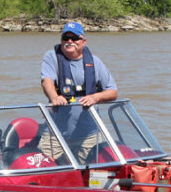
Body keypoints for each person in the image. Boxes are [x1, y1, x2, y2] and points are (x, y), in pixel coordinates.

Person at [39, 22, 118, 163]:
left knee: (96, 172)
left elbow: (112, 92)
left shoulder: (95, 62)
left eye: (74, 38)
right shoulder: (51, 57)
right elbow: (47, 81)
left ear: (83, 41)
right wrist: (54, 97)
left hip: (89, 134)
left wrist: (96, 97)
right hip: (55, 134)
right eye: (66, 37)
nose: (70, 41)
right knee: (44, 168)